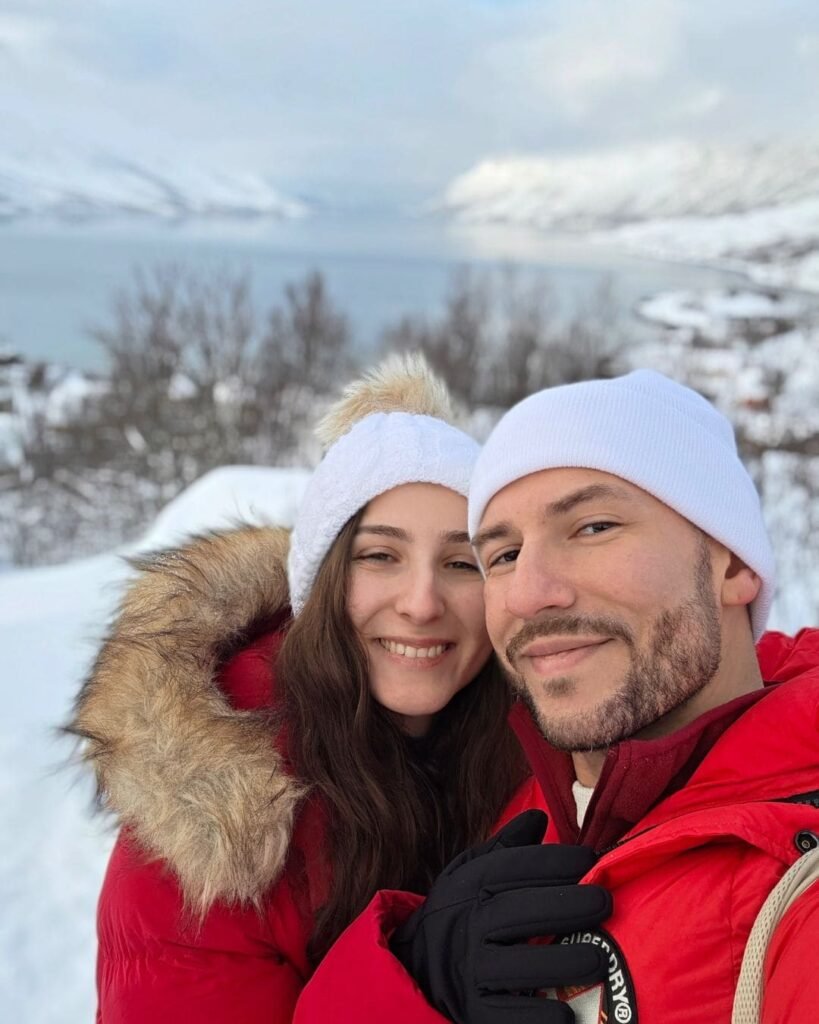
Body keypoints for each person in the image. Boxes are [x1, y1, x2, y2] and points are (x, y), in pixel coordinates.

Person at [293, 369, 819, 1024]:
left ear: (733, 565)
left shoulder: (795, 897)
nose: (526, 594)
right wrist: (406, 975)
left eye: (592, 528)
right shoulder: (527, 788)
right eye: (503, 555)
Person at [68, 353, 538, 1023]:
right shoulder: (219, 827)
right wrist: (414, 986)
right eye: (380, 556)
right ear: (319, 584)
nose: (421, 602)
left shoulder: (540, 743)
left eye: (461, 563)